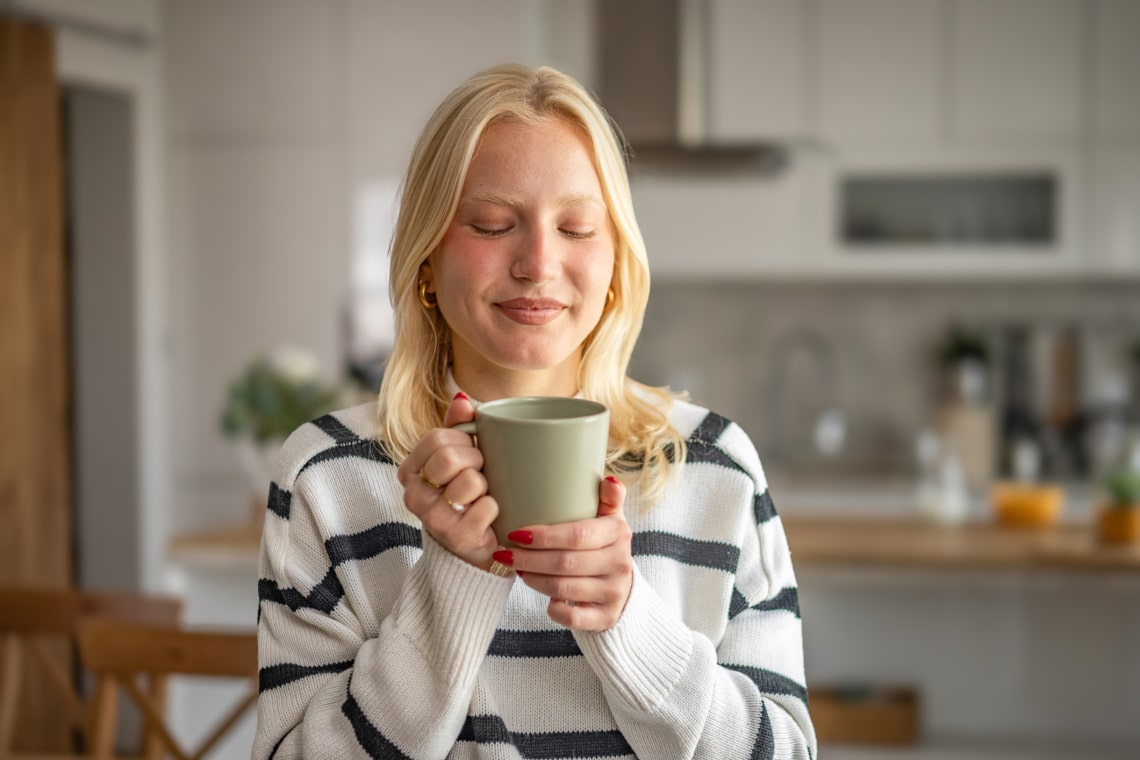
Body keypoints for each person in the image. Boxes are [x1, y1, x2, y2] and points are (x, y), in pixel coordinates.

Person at [253, 63, 816, 760]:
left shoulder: (717, 468)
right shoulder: (327, 477)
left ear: (615, 263)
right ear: (426, 257)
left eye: (578, 228)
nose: (539, 262)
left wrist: (627, 622)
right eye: (493, 224)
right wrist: (453, 580)